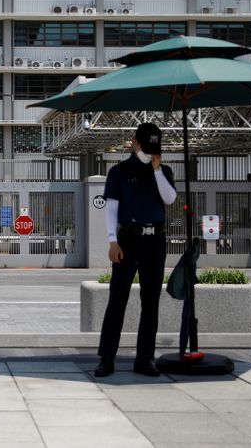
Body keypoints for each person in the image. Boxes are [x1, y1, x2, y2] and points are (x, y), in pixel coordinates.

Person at [94, 123, 177, 378]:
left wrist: (157, 171)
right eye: (146, 146)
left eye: (155, 147)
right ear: (135, 143)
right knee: (117, 299)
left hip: (155, 242)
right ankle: (107, 358)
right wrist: (112, 241)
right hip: (127, 241)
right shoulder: (119, 172)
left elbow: (170, 199)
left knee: (150, 303)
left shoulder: (163, 170)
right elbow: (111, 209)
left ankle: (145, 359)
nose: (150, 151)